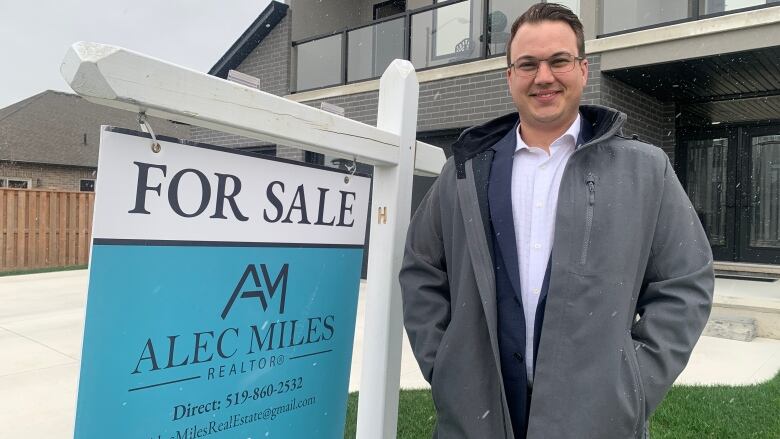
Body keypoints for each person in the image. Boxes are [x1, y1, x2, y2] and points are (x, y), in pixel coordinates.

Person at [399, 3, 714, 438]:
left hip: (595, 421)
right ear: (510, 76)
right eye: (527, 64)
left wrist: (631, 383)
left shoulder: (646, 171)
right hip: (478, 417)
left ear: (583, 69)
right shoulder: (465, 172)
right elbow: (421, 270)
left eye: (559, 61)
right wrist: (449, 368)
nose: (543, 76)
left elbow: (685, 283)